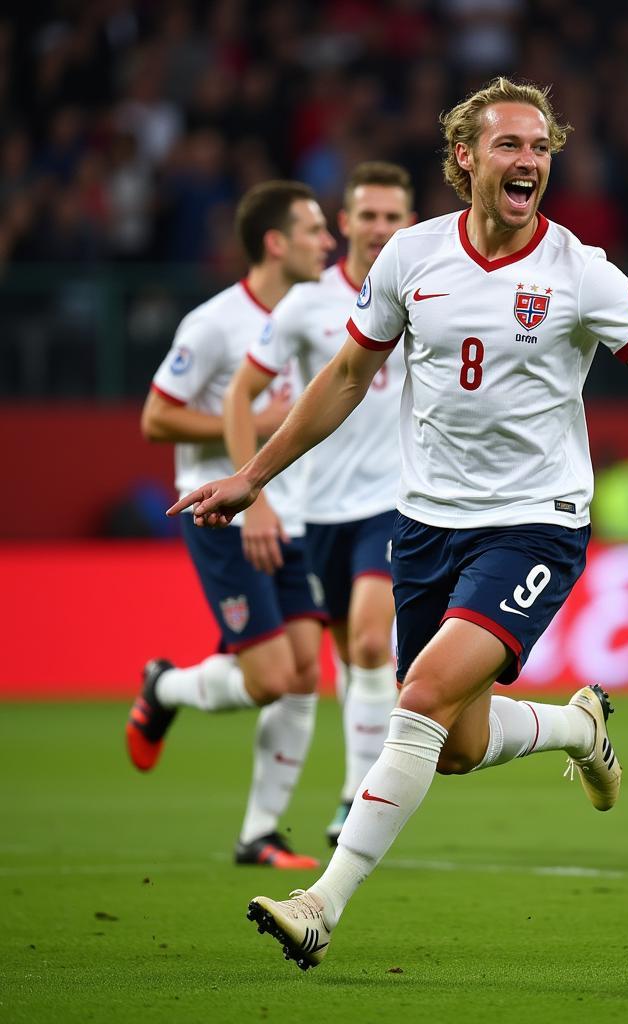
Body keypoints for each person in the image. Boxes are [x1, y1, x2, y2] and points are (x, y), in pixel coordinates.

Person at [169, 78, 628, 970]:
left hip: (536, 527)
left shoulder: (578, 270)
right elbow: (347, 379)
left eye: (542, 148)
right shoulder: (411, 258)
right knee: (458, 747)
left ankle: (321, 902)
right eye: (511, 145)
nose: (530, 162)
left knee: (421, 698)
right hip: (427, 528)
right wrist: (252, 474)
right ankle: (579, 728)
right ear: (466, 158)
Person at [129, 180, 336, 870]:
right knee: (272, 676)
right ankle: (163, 688)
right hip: (219, 510)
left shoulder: (317, 315)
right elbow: (157, 417)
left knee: (306, 671)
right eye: (313, 230)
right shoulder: (216, 323)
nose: (327, 242)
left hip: (297, 514)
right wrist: (251, 433)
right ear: (276, 243)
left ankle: (260, 834)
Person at [224, 162, 415, 847]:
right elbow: (239, 395)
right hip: (316, 510)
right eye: (369, 215)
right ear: (346, 223)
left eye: (394, 217)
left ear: (408, 223)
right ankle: (353, 783)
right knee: (341, 657)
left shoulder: (427, 291)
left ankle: (354, 799)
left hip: (395, 501)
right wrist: (258, 497)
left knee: (369, 640)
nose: (380, 228)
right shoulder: (306, 305)